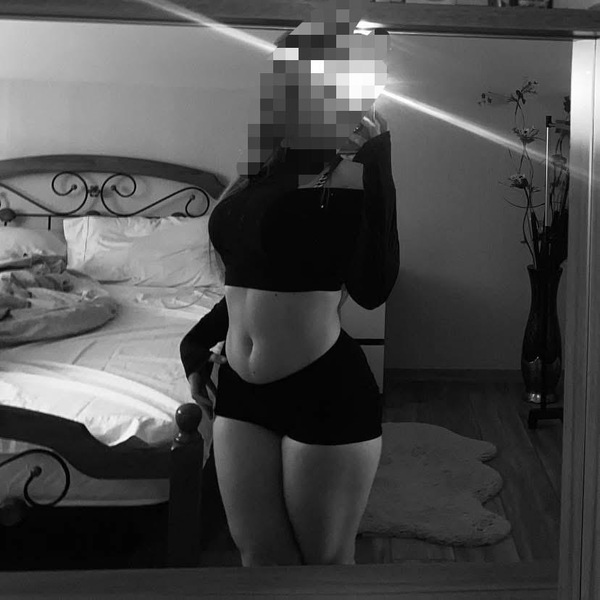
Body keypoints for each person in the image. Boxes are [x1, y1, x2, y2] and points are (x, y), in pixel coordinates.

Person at [180, 4, 399, 567]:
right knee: (258, 557)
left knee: (324, 567)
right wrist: (195, 343)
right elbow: (248, 278)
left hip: (324, 388)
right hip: (240, 393)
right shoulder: (254, 172)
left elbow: (372, 287)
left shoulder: (352, 172)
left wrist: (378, 162)